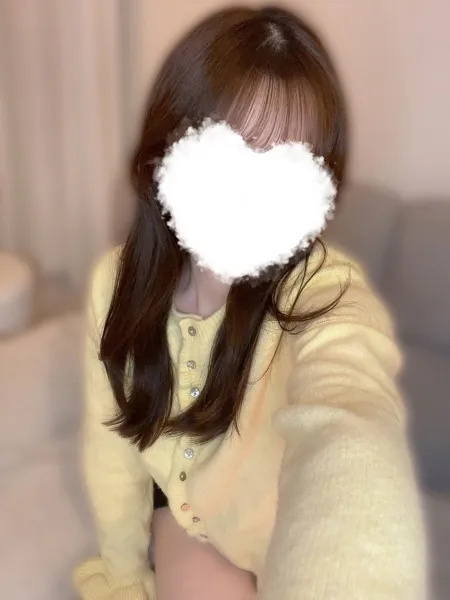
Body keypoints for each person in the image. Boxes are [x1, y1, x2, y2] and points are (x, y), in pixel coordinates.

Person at [74, 6, 427, 600]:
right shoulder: (114, 285)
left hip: (290, 543)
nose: (252, 193)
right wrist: (125, 573)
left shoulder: (323, 291)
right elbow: (112, 452)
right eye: (229, 150)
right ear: (166, 154)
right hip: (197, 531)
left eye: (289, 165)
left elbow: (353, 412)